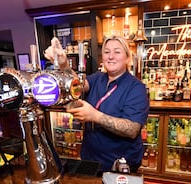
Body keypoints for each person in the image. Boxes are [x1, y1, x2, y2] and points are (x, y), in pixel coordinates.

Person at [45, 35, 149, 172]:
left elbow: (132, 129)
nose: (111, 56)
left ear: (127, 58)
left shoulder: (136, 87)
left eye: (117, 52)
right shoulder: (97, 78)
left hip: (119, 164)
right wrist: (64, 64)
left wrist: (94, 116)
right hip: (90, 159)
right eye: (107, 52)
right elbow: (75, 85)